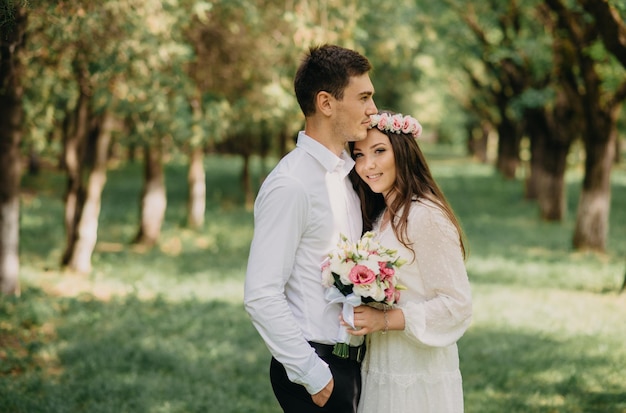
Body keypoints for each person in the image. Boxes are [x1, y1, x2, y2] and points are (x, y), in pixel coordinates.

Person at [244, 44, 378, 413]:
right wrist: (313, 376)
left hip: (354, 363)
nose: (372, 109)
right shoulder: (292, 184)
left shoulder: (350, 176)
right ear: (326, 102)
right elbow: (261, 293)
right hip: (318, 368)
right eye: (363, 97)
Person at [345, 110, 473, 412]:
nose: (368, 165)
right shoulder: (382, 216)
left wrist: (385, 320)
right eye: (359, 155)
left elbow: (457, 305)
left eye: (379, 151)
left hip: (418, 370)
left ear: (403, 153)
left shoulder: (426, 215)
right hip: (383, 363)